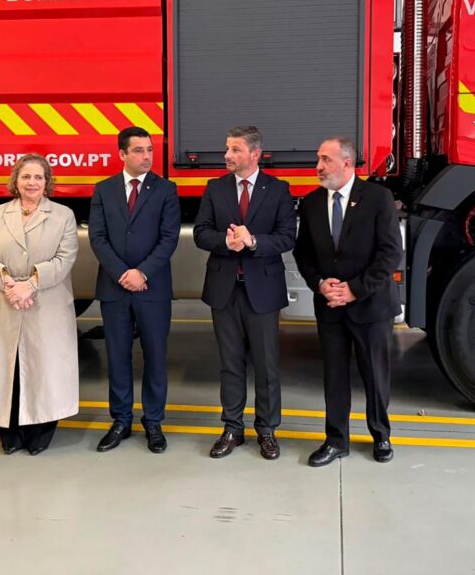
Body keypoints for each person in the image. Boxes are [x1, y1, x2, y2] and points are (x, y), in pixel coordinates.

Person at [293, 137, 403, 467]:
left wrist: (355, 289)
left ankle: (381, 435)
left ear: (346, 163)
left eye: (325, 159)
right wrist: (320, 284)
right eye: (318, 159)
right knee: (335, 376)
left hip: (370, 304)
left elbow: (390, 253)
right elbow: (304, 253)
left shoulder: (378, 198)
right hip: (330, 306)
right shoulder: (311, 202)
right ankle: (335, 439)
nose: (318, 166)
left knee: (375, 373)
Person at [193, 125, 295, 460]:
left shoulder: (278, 190)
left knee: (267, 365)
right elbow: (201, 232)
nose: (227, 155)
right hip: (224, 289)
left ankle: (266, 429)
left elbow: (286, 238)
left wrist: (253, 241)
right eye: (227, 149)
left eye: (235, 149)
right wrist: (226, 240)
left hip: (262, 290)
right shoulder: (215, 188)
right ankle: (232, 428)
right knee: (230, 364)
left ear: (254, 154)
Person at [0, 154, 79, 455]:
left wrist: (30, 284)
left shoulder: (63, 216)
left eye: (38, 177)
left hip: (44, 300)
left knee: (42, 365)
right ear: (15, 181)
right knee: (8, 364)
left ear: (47, 183)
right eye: (26, 177)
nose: (32, 182)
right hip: (5, 298)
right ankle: (8, 429)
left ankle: (41, 427)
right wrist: (7, 282)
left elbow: (65, 258)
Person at [89, 127, 180, 454]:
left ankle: (153, 421)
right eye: (139, 150)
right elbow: (97, 238)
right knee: (117, 355)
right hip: (115, 289)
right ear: (122, 154)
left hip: (151, 287)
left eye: (150, 150)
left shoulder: (166, 189)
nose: (146, 156)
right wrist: (121, 273)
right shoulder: (103, 190)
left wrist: (141, 272)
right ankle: (121, 420)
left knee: (155, 355)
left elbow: (169, 238)